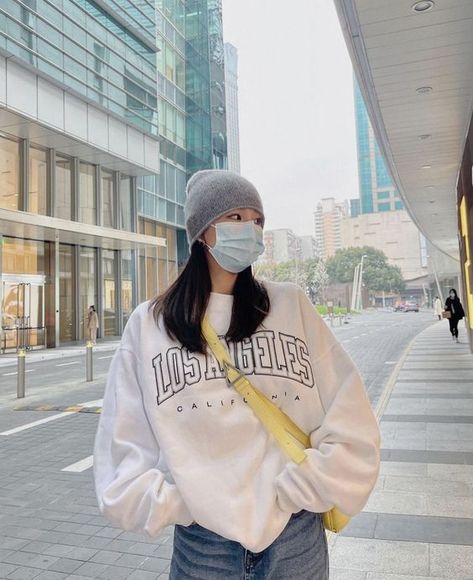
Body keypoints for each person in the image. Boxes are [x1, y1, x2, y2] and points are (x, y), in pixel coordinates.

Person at [93, 170, 380, 580]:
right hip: (203, 548)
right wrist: (186, 505)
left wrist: (299, 491)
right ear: (202, 232)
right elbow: (122, 450)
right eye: (234, 217)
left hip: (295, 539)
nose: (250, 229)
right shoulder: (149, 326)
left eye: (257, 219)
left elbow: (350, 416)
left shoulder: (290, 306)